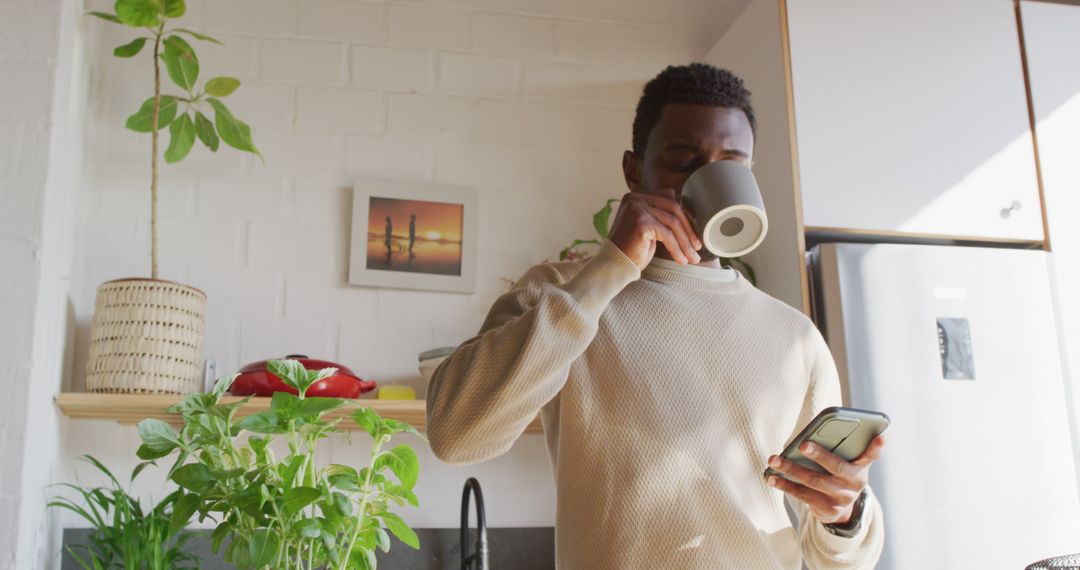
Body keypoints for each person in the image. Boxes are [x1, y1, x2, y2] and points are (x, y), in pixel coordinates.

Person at [426, 63, 885, 569]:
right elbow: (456, 434)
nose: (709, 179)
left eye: (733, 163)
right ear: (633, 170)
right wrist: (610, 266)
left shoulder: (793, 336)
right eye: (684, 160)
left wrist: (847, 516)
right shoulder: (561, 292)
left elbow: (838, 558)